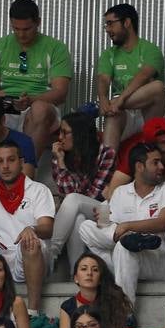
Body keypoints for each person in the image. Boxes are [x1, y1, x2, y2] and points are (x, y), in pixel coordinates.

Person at [79, 143, 165, 303]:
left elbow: (162, 223)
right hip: (123, 260)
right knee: (85, 227)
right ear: (140, 167)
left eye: (161, 162)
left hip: (158, 258)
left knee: (123, 247)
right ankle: (126, 238)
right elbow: (105, 224)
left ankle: (125, 311)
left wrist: (127, 226)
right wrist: (104, 221)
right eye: (155, 162)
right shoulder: (120, 192)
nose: (161, 166)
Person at [0, 0, 71, 158]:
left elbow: (60, 92)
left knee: (40, 108)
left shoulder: (56, 48)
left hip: (38, 103)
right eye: (16, 29)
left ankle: (27, 170)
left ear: (38, 22)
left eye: (27, 29)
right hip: (7, 105)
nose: (21, 34)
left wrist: (30, 100)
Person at [0, 140, 54, 314]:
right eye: (0, 161)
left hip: (29, 254)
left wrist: (32, 228)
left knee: (29, 242)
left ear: (22, 162)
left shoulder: (38, 190)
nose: (5, 166)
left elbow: (47, 228)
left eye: (11, 160)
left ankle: (33, 312)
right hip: (0, 260)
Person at [49, 114, 119, 271]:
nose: (60, 138)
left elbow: (96, 196)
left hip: (105, 214)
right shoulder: (60, 156)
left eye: (64, 132)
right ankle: (76, 273)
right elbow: (66, 193)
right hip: (81, 210)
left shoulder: (106, 154)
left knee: (74, 201)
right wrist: (60, 162)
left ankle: (50, 253)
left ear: (79, 134)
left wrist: (66, 173)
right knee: (78, 218)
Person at [95, 3, 165, 149]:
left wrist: (119, 100)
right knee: (113, 115)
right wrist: (103, 98)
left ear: (127, 23)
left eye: (110, 24)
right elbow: (103, 78)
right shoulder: (109, 54)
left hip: (148, 113)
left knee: (158, 87)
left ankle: (115, 104)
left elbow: (144, 76)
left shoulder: (150, 49)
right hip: (122, 114)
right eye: (106, 25)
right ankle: (107, 166)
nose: (107, 30)